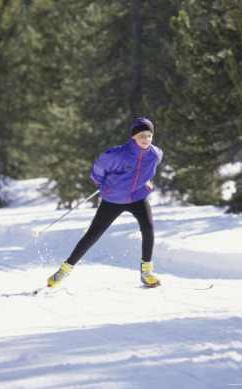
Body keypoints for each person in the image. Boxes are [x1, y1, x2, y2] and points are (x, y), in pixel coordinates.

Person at [47, 117, 164, 288]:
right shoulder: (116, 154)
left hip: (137, 197)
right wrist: (102, 185)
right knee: (93, 234)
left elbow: (147, 171)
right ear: (133, 136)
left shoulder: (155, 154)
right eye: (142, 135)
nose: (146, 139)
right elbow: (97, 172)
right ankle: (63, 271)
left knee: (148, 228)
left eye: (149, 135)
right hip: (114, 199)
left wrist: (142, 183)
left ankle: (146, 273)